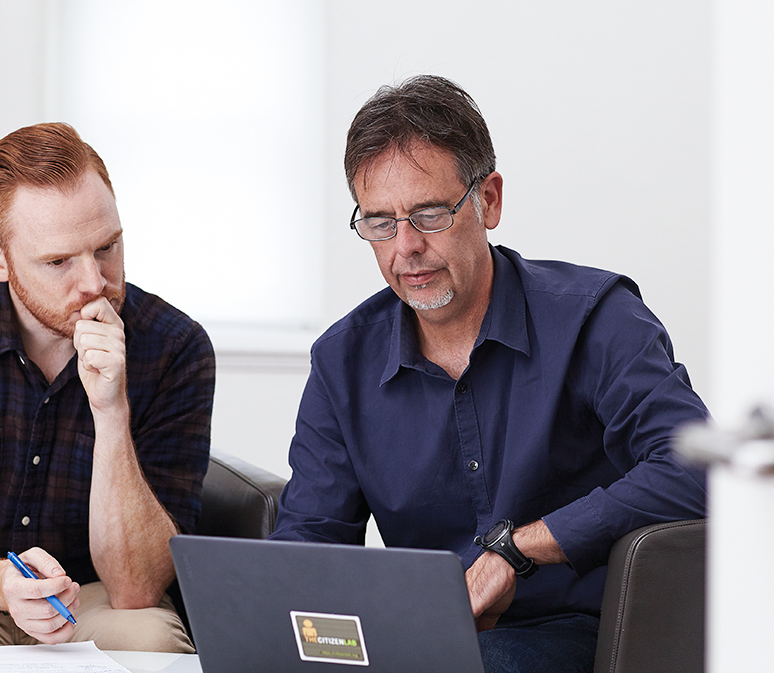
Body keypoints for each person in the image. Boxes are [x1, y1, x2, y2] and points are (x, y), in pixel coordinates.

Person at [269, 75, 707, 673]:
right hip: (420, 641)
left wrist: (520, 549)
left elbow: (697, 469)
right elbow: (310, 540)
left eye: (429, 214)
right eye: (379, 223)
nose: (405, 248)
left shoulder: (596, 319)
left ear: (489, 200)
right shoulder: (341, 362)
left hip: (583, 634)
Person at [0, 122, 213, 652]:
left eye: (107, 247)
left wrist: (111, 409)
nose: (94, 282)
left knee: (150, 640)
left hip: (93, 602)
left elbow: (138, 587)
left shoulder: (175, 347)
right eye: (57, 262)